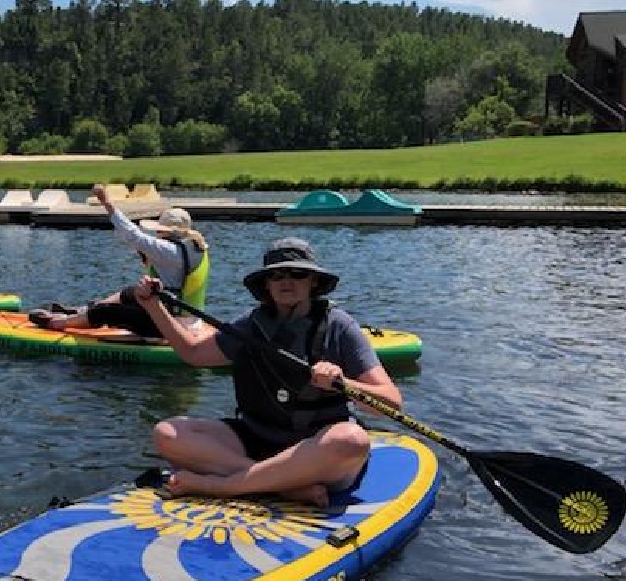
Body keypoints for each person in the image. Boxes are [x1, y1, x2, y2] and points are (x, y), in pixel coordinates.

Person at [131, 237, 401, 507]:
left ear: (314, 282)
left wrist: (345, 383)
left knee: (351, 441)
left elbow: (391, 403)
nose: (287, 281)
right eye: (276, 275)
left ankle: (224, 486)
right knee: (167, 432)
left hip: (316, 450)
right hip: (257, 440)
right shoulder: (250, 326)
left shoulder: (340, 327)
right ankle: (280, 487)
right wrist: (153, 306)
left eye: (298, 273)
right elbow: (193, 353)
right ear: (266, 284)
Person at [27, 184, 209, 337]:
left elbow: (132, 235)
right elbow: (169, 272)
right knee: (130, 292)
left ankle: (57, 323)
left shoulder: (168, 250)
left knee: (105, 313)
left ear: (165, 231)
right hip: (186, 320)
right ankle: (82, 311)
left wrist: (106, 202)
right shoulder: (195, 247)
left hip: (171, 327)